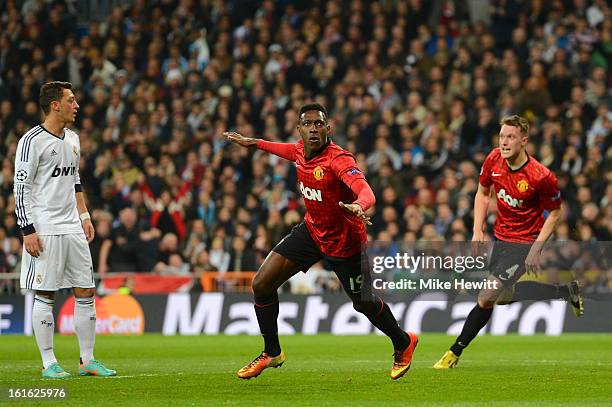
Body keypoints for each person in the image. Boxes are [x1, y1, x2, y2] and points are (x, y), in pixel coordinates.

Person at [225, 103, 418, 380]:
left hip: (345, 242)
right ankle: (272, 352)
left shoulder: (338, 160)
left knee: (362, 303)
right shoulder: (299, 151)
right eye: (308, 124)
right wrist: (254, 143)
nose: (314, 129)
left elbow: (366, 191)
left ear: (328, 129)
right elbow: (282, 149)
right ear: (299, 130)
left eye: (319, 124)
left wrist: (360, 205)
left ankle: (403, 342)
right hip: (312, 231)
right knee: (261, 284)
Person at [434, 115, 584, 369]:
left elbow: (556, 212)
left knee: (485, 297)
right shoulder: (493, 159)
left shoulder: (540, 176)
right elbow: (482, 193)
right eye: (502, 136)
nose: (504, 142)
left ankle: (453, 353)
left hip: (524, 243)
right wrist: (477, 230)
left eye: (510, 137)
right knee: (503, 298)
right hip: (501, 238)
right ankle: (565, 291)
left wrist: (537, 247)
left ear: (524, 141)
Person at [14, 81, 116, 378]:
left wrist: (84, 215)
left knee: (86, 290)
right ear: (55, 105)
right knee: (45, 293)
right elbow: (21, 186)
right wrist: (27, 229)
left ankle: (87, 361)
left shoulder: (72, 138)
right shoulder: (31, 141)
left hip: (72, 224)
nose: (77, 105)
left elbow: (75, 180)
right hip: (44, 226)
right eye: (71, 100)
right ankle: (49, 362)